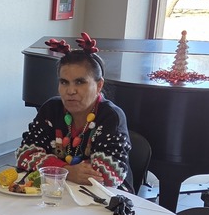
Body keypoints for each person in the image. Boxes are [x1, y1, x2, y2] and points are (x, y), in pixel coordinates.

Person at [15, 35, 132, 188]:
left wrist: (49, 166)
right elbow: (25, 155)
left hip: (104, 200)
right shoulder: (51, 109)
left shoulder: (111, 116)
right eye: (64, 82)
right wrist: (67, 171)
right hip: (57, 189)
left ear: (99, 85)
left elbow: (107, 175)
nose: (70, 91)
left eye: (80, 82)